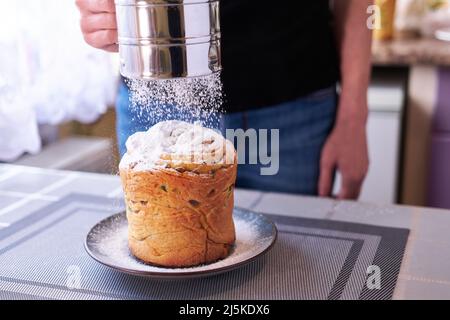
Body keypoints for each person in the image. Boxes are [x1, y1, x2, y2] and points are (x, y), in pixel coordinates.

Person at [76, 0, 372, 199]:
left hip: (291, 116)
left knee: (287, 276)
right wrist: (100, 13)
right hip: (157, 108)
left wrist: (354, 118)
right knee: (160, 274)